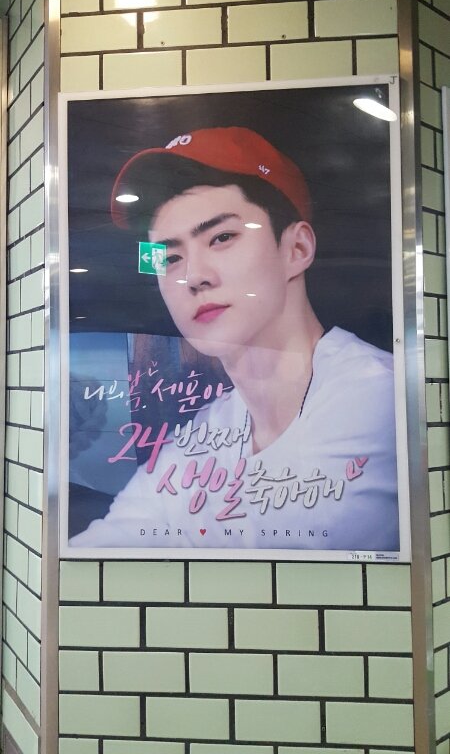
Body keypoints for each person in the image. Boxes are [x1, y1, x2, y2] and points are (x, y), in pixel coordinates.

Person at [70, 127, 399, 552]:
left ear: (297, 248)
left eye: (222, 237)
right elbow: (101, 554)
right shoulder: (206, 432)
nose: (194, 276)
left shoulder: (378, 399)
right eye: (171, 258)